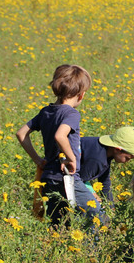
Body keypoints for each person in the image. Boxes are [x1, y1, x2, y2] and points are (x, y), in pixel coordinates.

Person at [16, 64, 106, 229]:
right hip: (67, 178)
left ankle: (56, 251)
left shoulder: (45, 112)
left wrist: (37, 160)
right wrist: (71, 158)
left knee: (58, 224)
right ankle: (91, 249)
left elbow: (21, 134)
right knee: (95, 213)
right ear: (81, 95)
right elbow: (60, 135)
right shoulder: (71, 113)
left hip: (49, 179)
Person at [79, 126, 134, 203]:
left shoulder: (107, 152)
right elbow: (79, 181)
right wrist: (93, 194)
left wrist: (110, 205)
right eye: (127, 158)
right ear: (117, 149)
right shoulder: (97, 159)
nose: (127, 161)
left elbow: (105, 181)